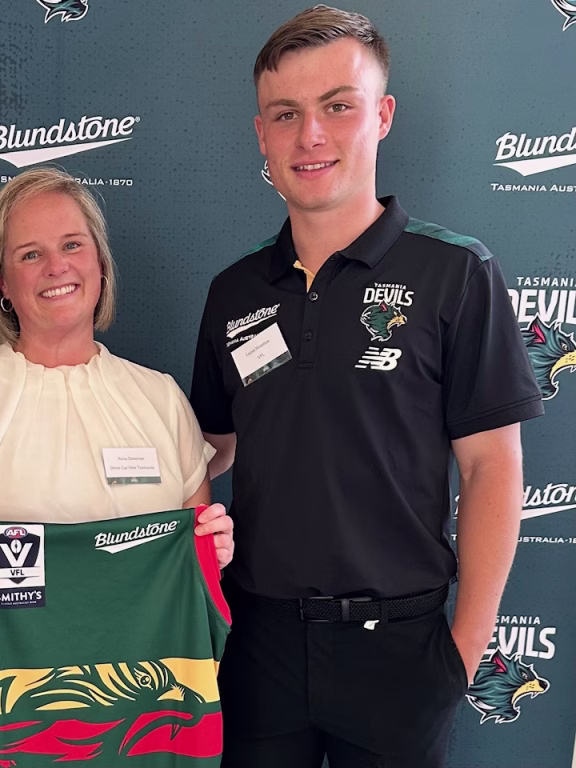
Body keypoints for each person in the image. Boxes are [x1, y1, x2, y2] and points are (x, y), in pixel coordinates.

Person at [190, 7, 543, 768]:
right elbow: (213, 449)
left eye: (337, 107)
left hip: (402, 652)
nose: (310, 136)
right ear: (262, 135)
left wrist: (460, 654)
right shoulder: (233, 292)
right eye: (286, 114)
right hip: (259, 646)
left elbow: (492, 466)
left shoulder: (457, 272)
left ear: (380, 116)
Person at [0, 167, 235, 767]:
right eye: (30, 254)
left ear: (100, 263)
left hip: (132, 704)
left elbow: (193, 536)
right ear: (2, 284)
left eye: (72, 245)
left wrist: (210, 549)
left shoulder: (161, 399)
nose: (57, 267)